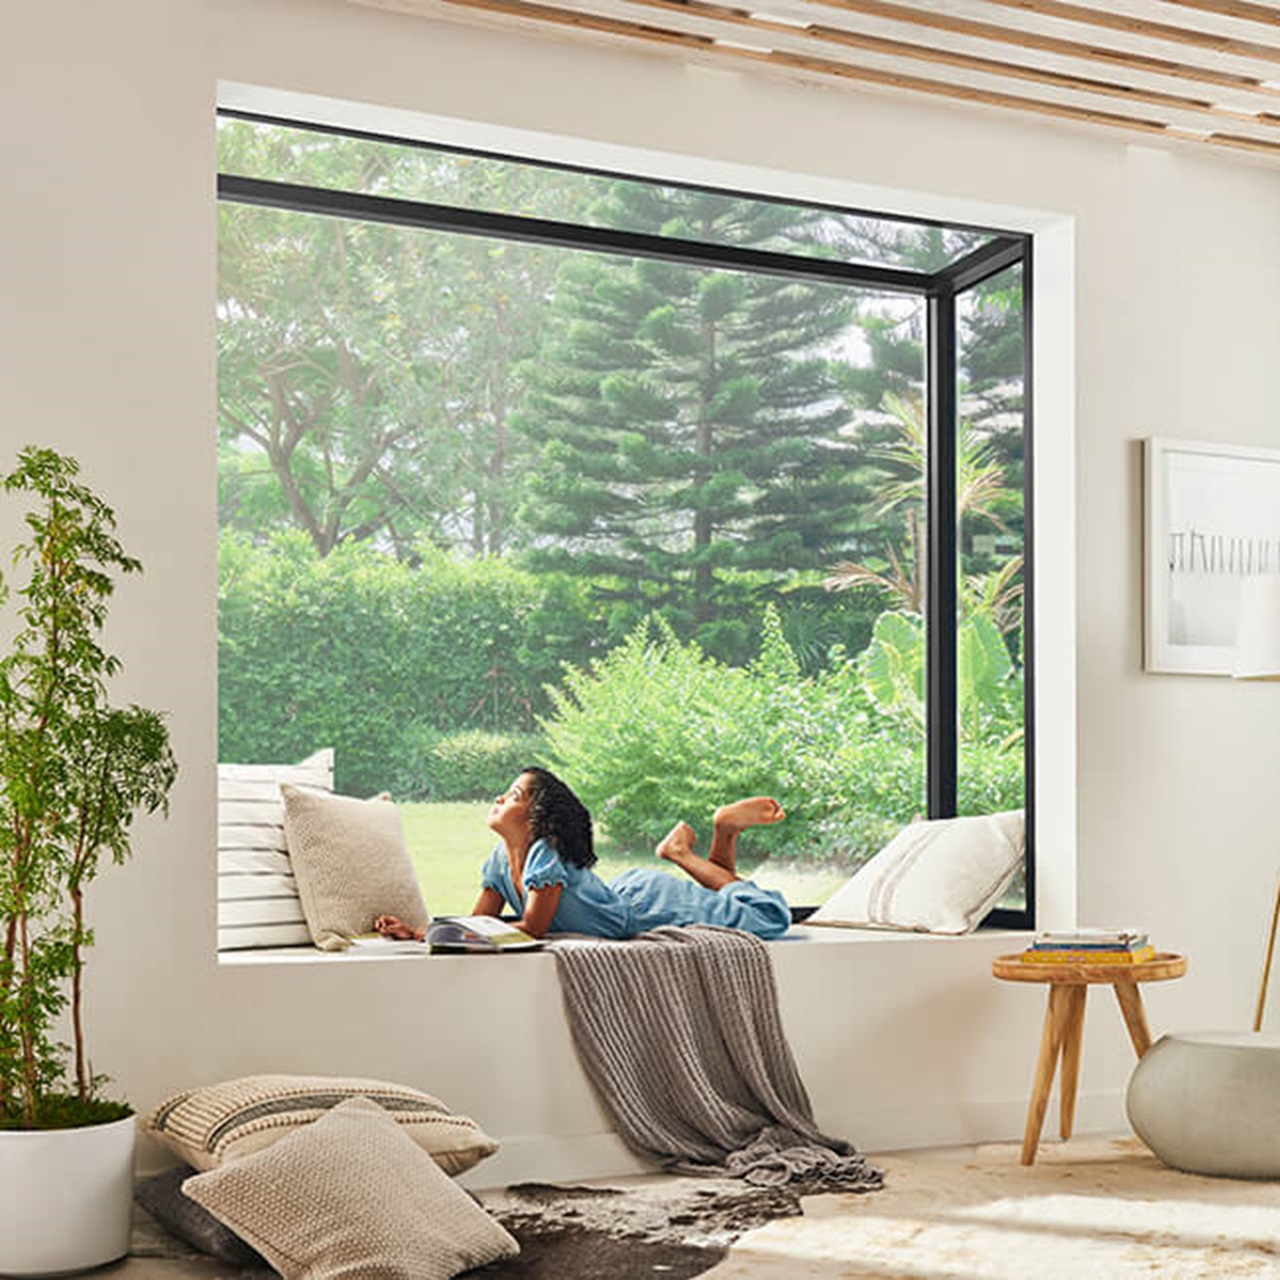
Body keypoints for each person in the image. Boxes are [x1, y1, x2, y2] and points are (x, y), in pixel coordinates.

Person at [374, 766, 792, 942]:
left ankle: (683, 850)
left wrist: (450, 934)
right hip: (624, 896)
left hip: (646, 909)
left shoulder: (544, 855)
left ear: (537, 817)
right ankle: (726, 832)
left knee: (765, 916)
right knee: (725, 906)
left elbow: (533, 928)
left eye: (515, 795)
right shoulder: (498, 862)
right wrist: (422, 931)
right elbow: (482, 921)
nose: (501, 797)